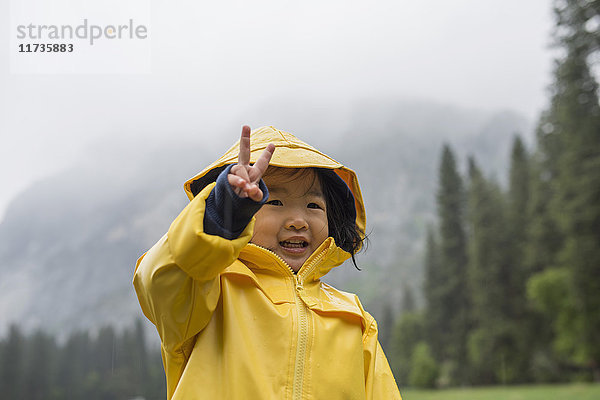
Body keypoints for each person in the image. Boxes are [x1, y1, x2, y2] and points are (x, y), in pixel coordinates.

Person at [133, 125, 401, 399]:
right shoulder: (206, 291)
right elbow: (162, 275)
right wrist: (224, 213)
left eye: (313, 206)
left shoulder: (354, 318)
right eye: (274, 202)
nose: (298, 220)